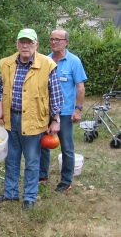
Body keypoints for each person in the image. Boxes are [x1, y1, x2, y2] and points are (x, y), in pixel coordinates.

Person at [0, 28, 63, 211]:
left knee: (32, 161)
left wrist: (55, 119)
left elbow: (56, 96)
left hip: (34, 121)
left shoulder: (47, 65)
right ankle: (10, 193)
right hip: (12, 119)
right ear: (17, 44)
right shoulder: (6, 63)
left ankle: (29, 197)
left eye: (29, 42)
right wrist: (1, 111)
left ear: (36, 45)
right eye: (22, 42)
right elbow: (1, 90)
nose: (25, 46)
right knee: (11, 158)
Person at [39, 29, 87, 192]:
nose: (54, 42)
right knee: (43, 145)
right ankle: (42, 176)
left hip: (66, 113)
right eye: (52, 39)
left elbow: (80, 88)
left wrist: (78, 109)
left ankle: (66, 181)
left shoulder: (74, 61)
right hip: (46, 111)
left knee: (67, 147)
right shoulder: (45, 60)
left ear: (66, 42)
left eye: (58, 39)